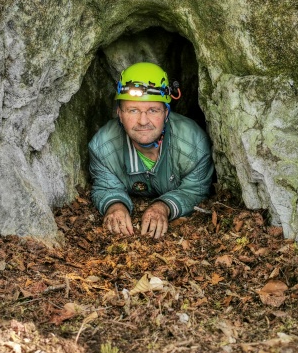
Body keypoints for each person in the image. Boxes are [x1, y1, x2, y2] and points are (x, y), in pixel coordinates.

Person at [88, 62, 214, 239]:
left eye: (153, 110)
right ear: (120, 114)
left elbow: (195, 189)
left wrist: (164, 206)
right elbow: (106, 186)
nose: (143, 121)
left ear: (166, 113)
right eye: (133, 110)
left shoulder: (193, 144)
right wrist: (115, 206)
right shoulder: (103, 147)